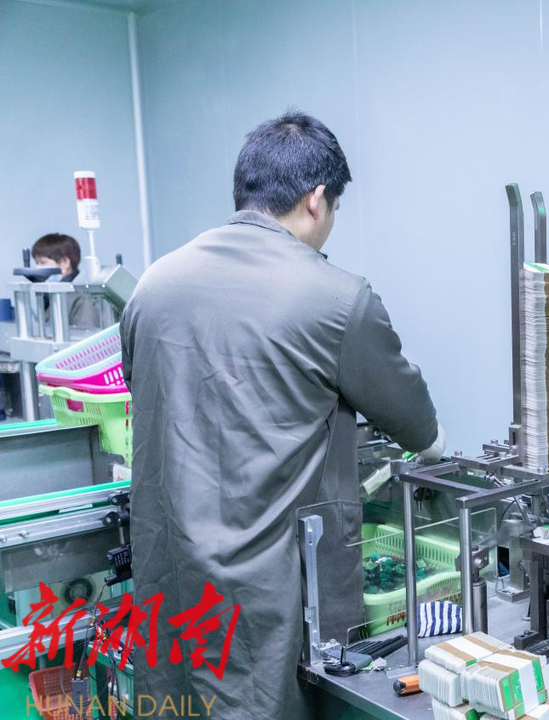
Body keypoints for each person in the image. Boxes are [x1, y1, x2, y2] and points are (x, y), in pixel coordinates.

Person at [121, 111, 444, 718]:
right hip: (266, 599)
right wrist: (434, 440)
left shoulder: (153, 285)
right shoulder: (337, 298)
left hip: (171, 585)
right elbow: (417, 426)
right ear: (317, 199)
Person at [31, 232, 101, 329]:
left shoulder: (84, 297)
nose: (38, 268)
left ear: (64, 262)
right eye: (37, 263)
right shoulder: (54, 295)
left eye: (43, 263)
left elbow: (88, 334)